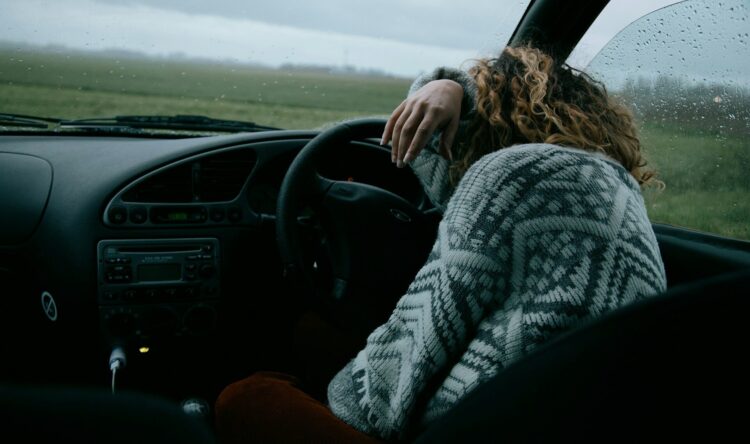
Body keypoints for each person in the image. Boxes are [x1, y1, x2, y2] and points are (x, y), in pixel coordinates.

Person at [214, 45, 667, 443]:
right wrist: (450, 86)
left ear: (484, 119)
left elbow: (402, 373)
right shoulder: (614, 187)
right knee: (316, 336)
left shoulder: (506, 176)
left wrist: (445, 89)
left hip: (481, 425)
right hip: (570, 416)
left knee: (247, 396)